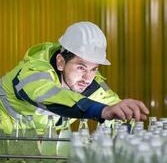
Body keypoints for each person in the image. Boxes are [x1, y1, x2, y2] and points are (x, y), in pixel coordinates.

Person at [0, 21, 149, 134]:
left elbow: (113, 107)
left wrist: (130, 130)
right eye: (81, 67)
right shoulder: (33, 73)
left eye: (94, 69)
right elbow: (53, 97)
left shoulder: (92, 84)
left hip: (29, 146)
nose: (87, 78)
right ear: (60, 62)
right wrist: (102, 111)